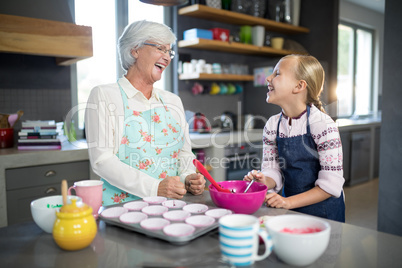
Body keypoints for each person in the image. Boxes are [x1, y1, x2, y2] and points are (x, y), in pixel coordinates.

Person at [85, 20, 205, 206]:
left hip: (171, 206)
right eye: (160, 49)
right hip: (123, 209)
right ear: (135, 50)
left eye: (169, 51)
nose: (167, 57)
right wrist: (154, 188)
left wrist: (188, 176)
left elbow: (184, 154)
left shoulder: (173, 101)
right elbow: (102, 160)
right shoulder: (104, 95)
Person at [244, 54, 345, 222]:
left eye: (277, 74)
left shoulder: (323, 125)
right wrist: (264, 180)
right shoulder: (272, 125)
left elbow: (331, 185)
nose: (268, 78)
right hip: (289, 208)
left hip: (324, 214)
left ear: (299, 86)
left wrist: (287, 202)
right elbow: (272, 169)